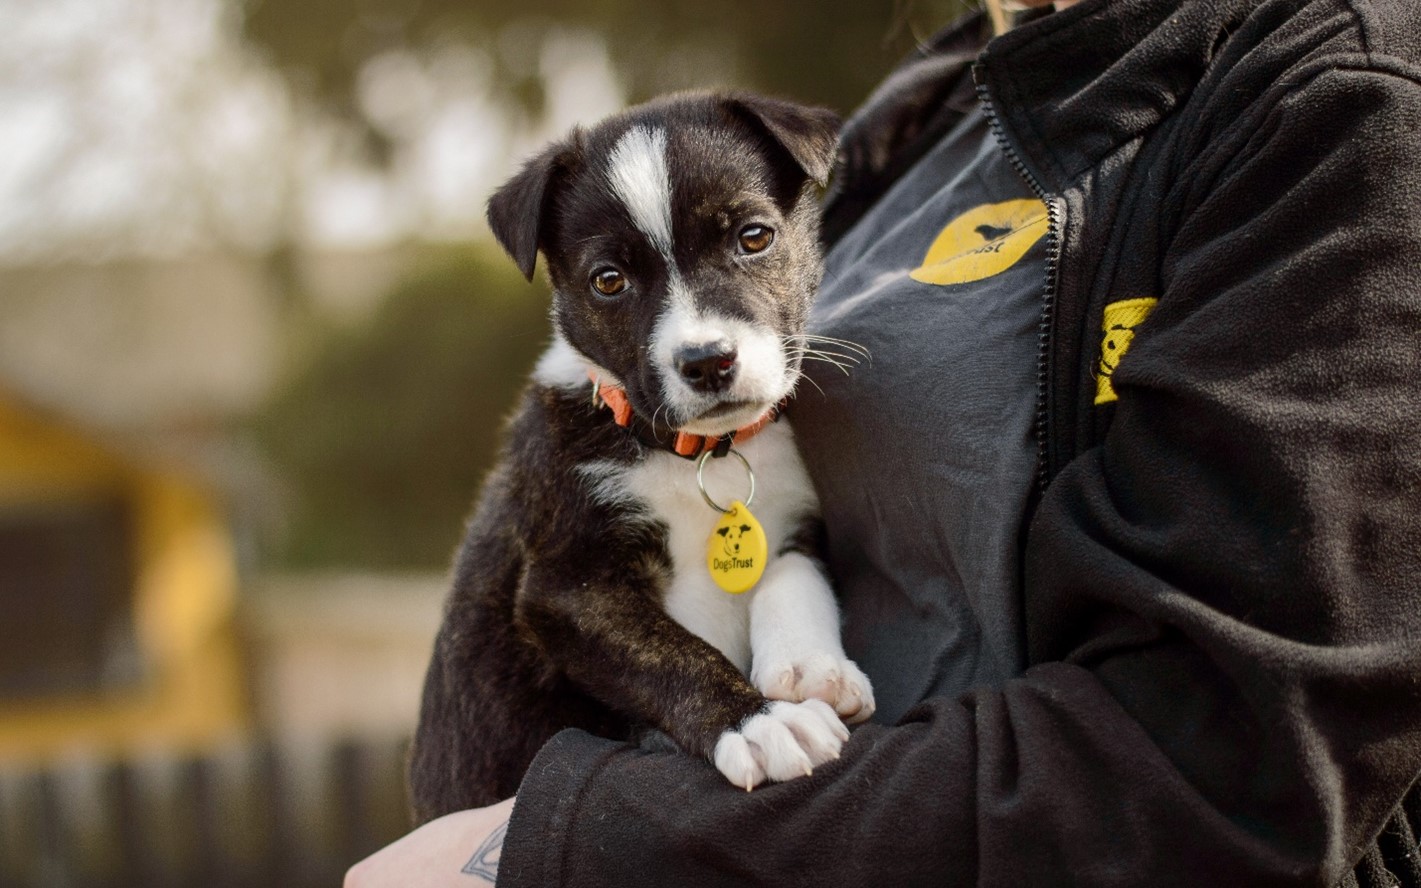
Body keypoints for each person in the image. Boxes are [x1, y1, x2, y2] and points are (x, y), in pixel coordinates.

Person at [347, 0, 1421, 883]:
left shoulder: (1331, 101)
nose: (700, 329)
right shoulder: (930, 108)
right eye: (621, 283)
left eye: (751, 239)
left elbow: (1215, 773)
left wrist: (563, 847)